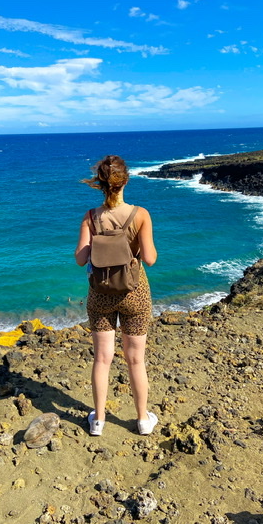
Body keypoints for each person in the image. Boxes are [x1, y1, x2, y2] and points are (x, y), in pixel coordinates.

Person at [75, 155, 158, 436]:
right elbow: (150, 258)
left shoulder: (90, 217)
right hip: (135, 292)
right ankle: (143, 420)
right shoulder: (140, 215)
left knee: (102, 359)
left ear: (100, 183)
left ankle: (98, 420)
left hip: (100, 294)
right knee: (135, 359)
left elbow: (79, 258)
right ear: (126, 181)